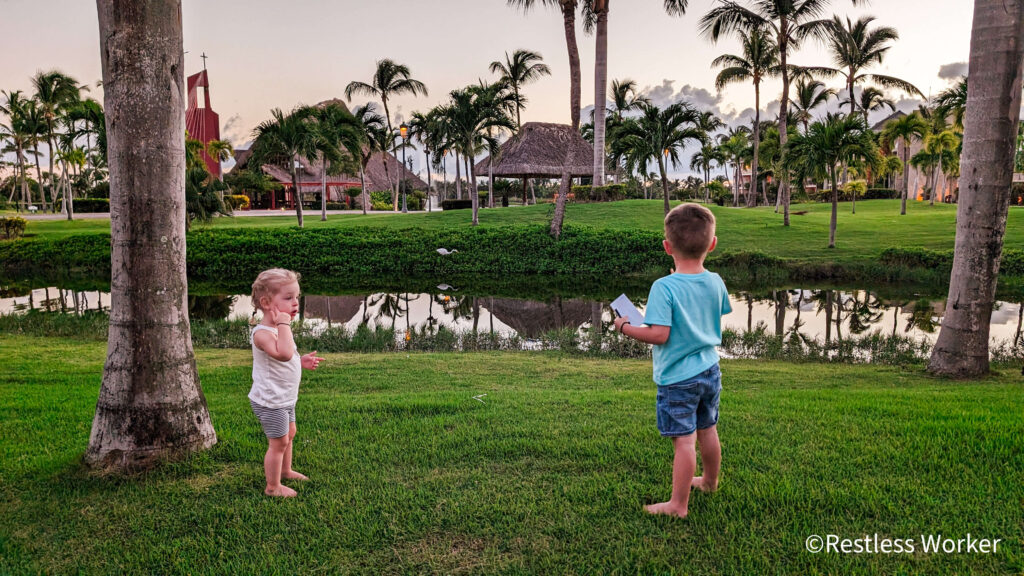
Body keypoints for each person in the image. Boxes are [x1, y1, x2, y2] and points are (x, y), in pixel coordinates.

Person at [614, 203, 732, 519]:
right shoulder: (716, 281)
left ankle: (677, 505)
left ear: (667, 247)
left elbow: (659, 335)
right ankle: (709, 481)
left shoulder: (663, 287)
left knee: (684, 441)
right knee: (708, 428)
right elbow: (710, 313)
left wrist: (626, 327)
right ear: (712, 244)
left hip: (678, 378)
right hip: (709, 369)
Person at [249, 268, 324, 497]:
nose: (295, 304)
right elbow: (282, 353)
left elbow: (286, 357)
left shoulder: (277, 330)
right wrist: (284, 325)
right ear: (266, 302)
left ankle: (286, 471)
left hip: (285, 397)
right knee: (279, 442)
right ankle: (272, 487)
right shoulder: (263, 333)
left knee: (290, 433)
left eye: (297, 298)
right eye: (288, 298)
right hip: (271, 401)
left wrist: (300, 361)